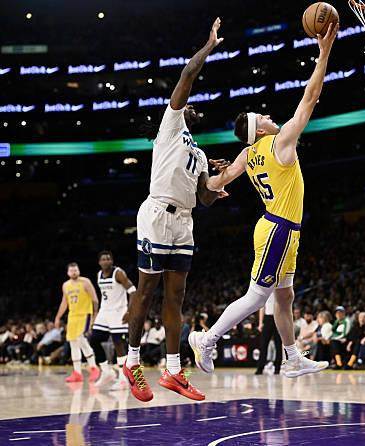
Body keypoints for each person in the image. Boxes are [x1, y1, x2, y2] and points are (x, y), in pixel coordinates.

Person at [189, 23, 339, 378]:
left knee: (284, 297)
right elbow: (310, 98)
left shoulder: (246, 155)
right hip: (278, 229)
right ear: (259, 129)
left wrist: (209, 177)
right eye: (265, 118)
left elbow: (213, 184)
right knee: (257, 297)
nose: (271, 118)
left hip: (280, 229)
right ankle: (207, 339)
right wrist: (324, 53)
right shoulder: (280, 142)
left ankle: (292, 357)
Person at [123, 18, 229, 402]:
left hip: (185, 221)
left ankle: (172, 370)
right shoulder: (170, 126)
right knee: (146, 291)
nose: (192, 106)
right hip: (156, 214)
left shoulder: (199, 154)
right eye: (189, 104)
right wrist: (209, 46)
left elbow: (204, 198)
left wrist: (220, 182)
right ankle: (132, 361)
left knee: (176, 297)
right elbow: (188, 73)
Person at [90, 251, 136, 390]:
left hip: (118, 312)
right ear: (99, 262)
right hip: (104, 312)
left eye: (108, 259)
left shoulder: (118, 273)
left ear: (112, 261)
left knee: (118, 343)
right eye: (103, 259)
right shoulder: (99, 275)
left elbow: (133, 290)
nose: (106, 261)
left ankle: (123, 379)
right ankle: (107, 372)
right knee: (94, 340)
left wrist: (130, 311)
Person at [54, 262, 100, 383]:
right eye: (71, 271)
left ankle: (93, 367)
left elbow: (95, 299)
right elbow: (64, 303)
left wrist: (95, 315)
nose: (74, 272)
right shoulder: (65, 285)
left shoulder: (85, 282)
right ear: (68, 272)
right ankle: (77, 372)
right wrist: (58, 317)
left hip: (85, 315)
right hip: (72, 316)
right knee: (73, 343)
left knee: (81, 339)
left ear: (79, 271)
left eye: (75, 270)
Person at [255, 295, 282, 375]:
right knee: (263, 344)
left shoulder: (281, 290)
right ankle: (260, 367)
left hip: (279, 317)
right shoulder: (266, 291)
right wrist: (260, 323)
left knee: (278, 344)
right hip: (267, 318)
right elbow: (262, 307)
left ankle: (277, 368)